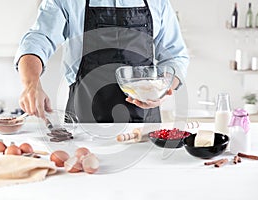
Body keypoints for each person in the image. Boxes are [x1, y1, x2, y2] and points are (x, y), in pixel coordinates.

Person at [14, 0, 189, 123]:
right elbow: (38, 40)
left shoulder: (158, 2)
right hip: (84, 123)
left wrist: (161, 90)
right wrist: (31, 84)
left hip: (144, 126)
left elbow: (175, 56)